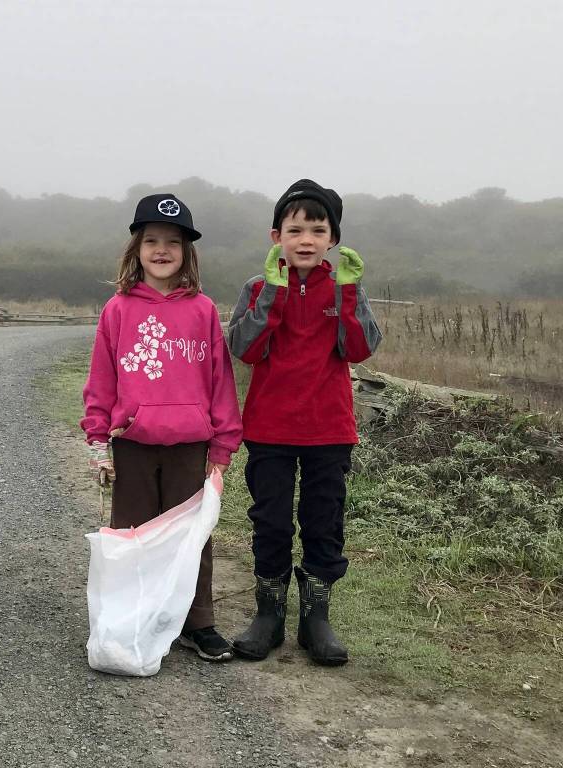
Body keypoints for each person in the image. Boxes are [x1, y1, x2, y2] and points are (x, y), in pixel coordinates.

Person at [81, 193, 243, 662]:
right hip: (132, 443)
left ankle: (198, 622)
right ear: (136, 249)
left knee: (191, 536)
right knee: (133, 535)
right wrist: (98, 439)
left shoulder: (203, 309)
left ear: (187, 252)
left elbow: (220, 380)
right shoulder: (117, 309)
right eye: (151, 240)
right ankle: (131, 618)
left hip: (190, 445)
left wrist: (222, 447)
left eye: (173, 242)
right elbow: (102, 379)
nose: (162, 250)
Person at [226, 179, 382, 666]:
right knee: (270, 521)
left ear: (333, 238)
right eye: (295, 230)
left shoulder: (343, 285)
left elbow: (359, 349)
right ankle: (268, 616)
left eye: (318, 230)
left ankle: (316, 620)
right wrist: (272, 295)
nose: (306, 240)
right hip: (269, 429)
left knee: (323, 523)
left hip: (328, 430)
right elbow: (244, 349)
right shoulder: (256, 287)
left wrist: (349, 293)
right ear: (277, 237)